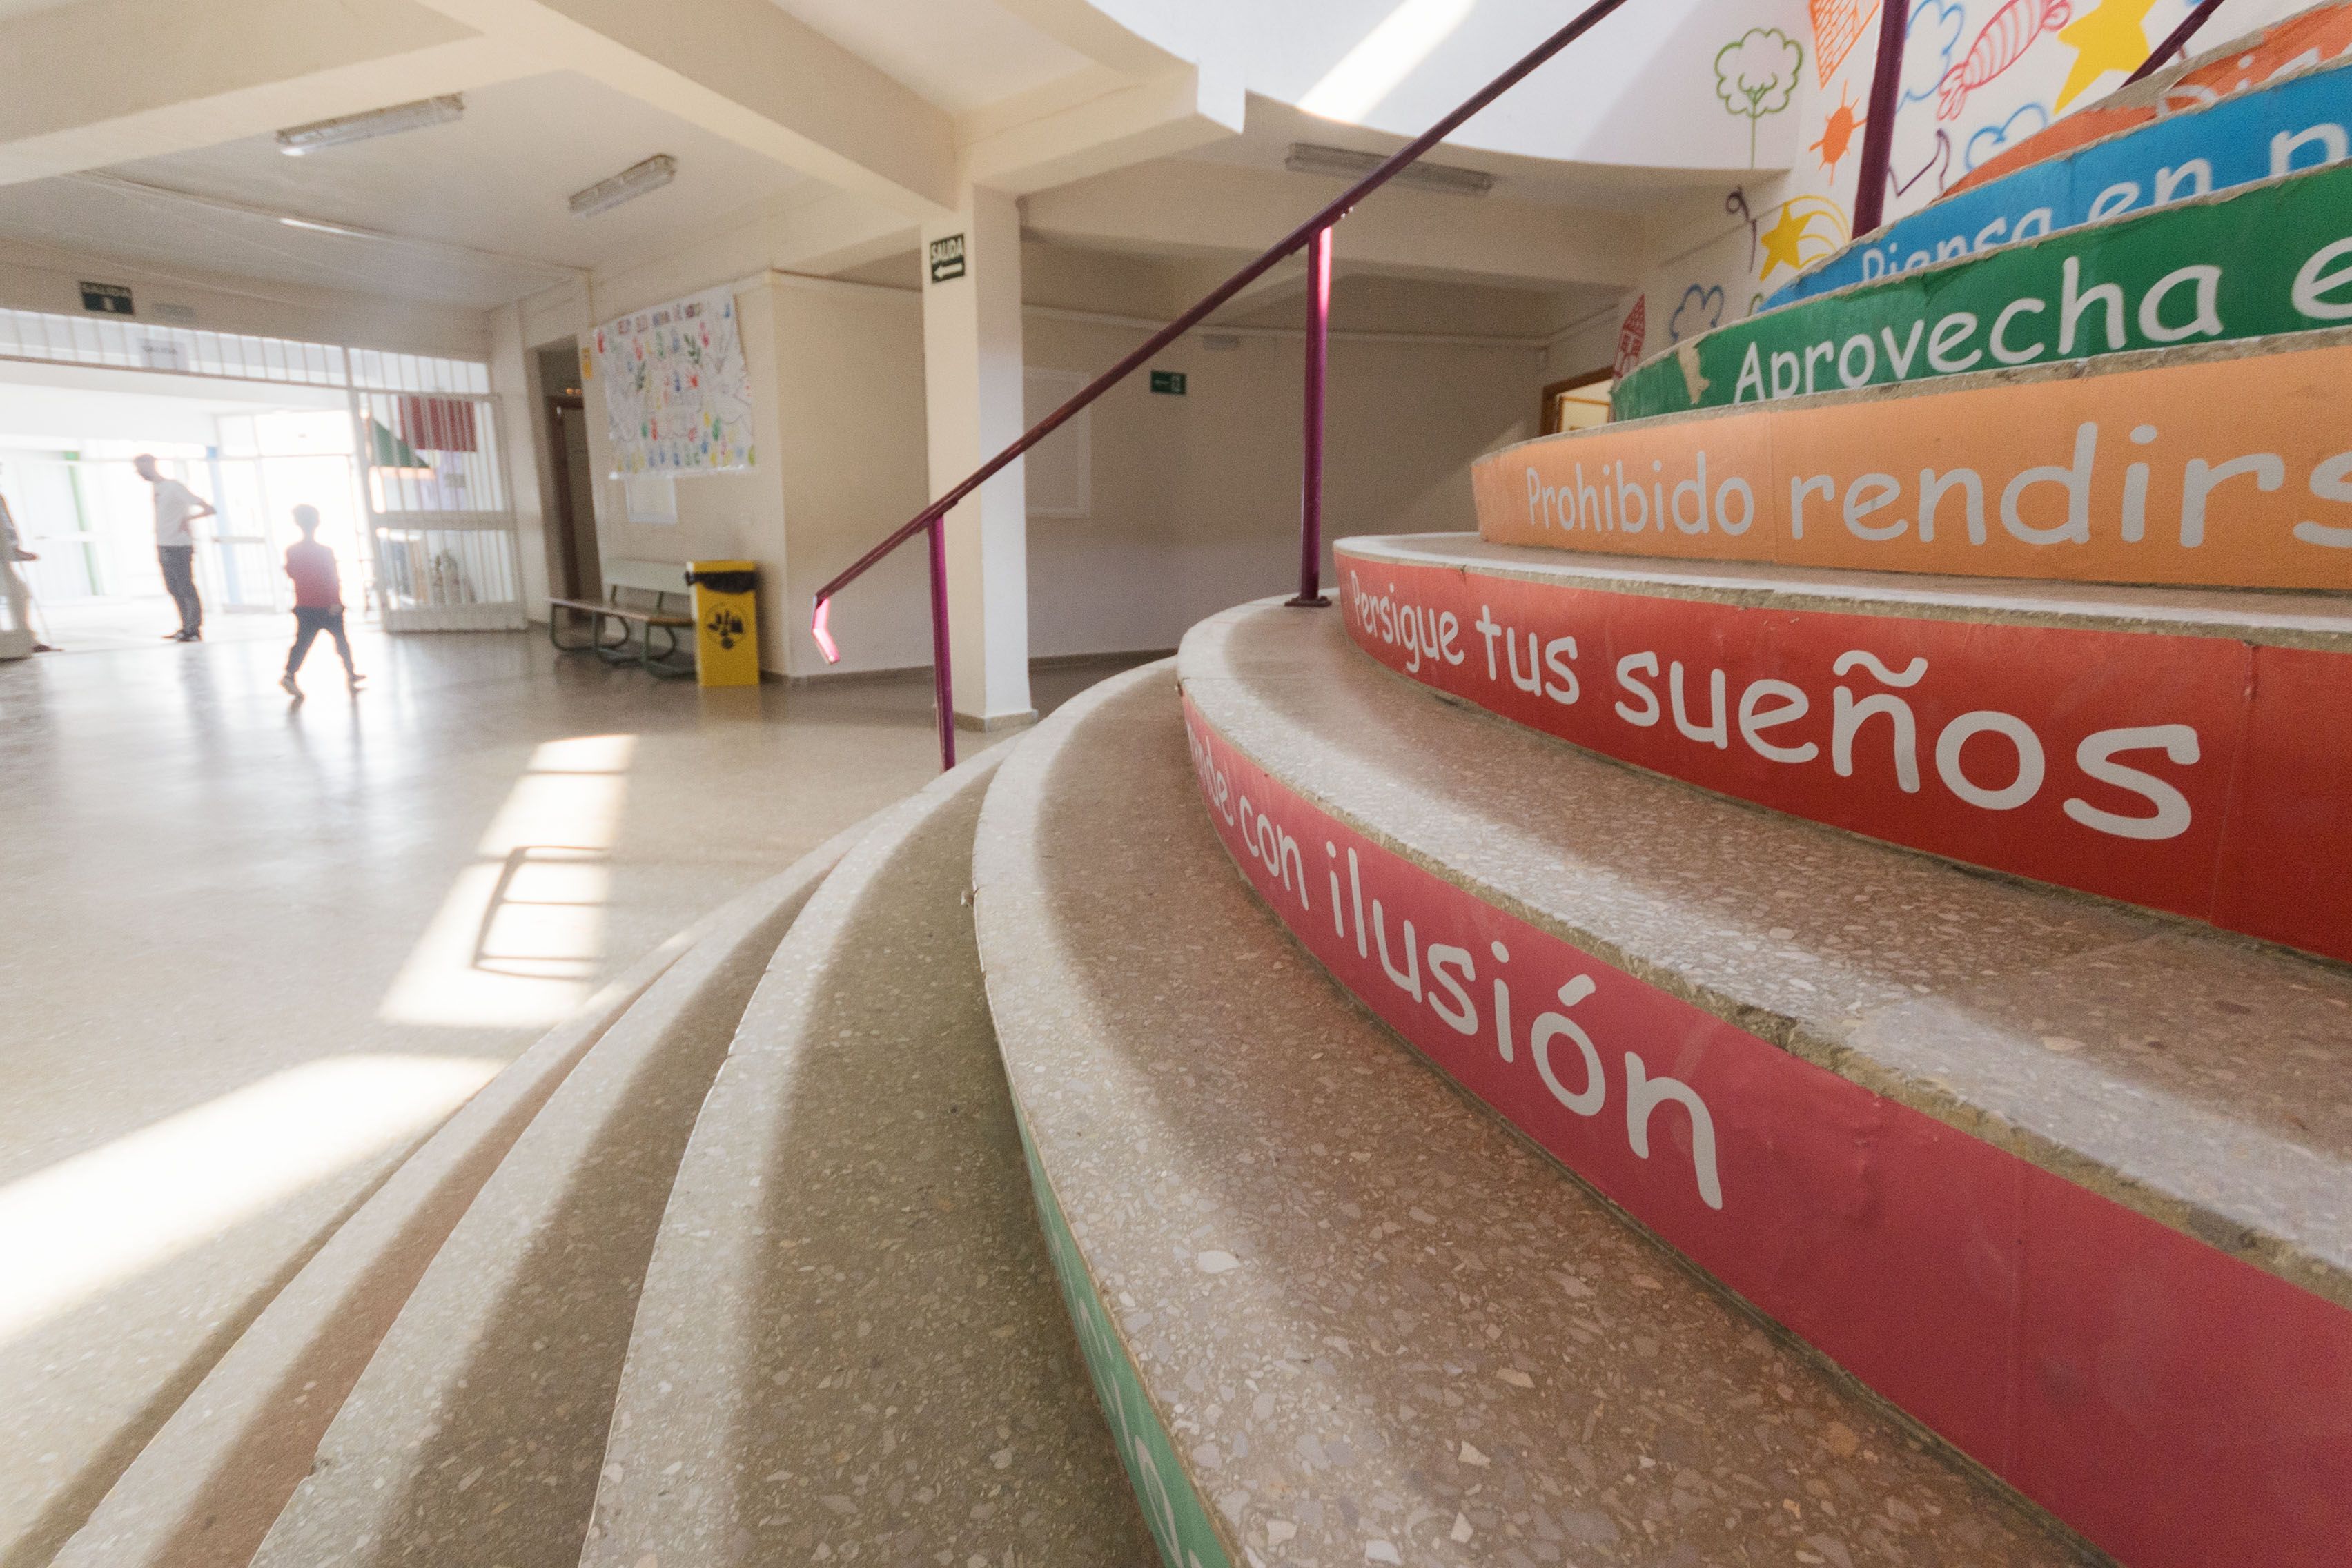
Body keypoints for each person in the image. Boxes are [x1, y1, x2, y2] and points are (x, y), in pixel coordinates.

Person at [279, 504, 362, 698]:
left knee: (302, 643)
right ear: (316, 523)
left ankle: (289, 675)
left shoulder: (292, 551)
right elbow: (332, 578)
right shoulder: (325, 551)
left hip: (305, 606)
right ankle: (351, 674)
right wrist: (336, 601)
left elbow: (291, 573)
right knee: (341, 641)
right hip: (327, 606)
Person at [134, 453, 213, 642]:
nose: (139, 472)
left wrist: (188, 519)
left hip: (179, 545)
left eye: (141, 468)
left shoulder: (174, 487)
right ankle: (185, 626)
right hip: (163, 544)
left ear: (151, 465)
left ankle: (193, 629)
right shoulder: (157, 488)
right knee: (173, 587)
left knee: (185, 587)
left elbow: (209, 508)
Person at [0, 486, 52, 655]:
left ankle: (26, 641)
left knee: (20, 594)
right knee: (18, 593)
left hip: (3, 560)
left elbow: (6, 529)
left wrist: (15, 550)